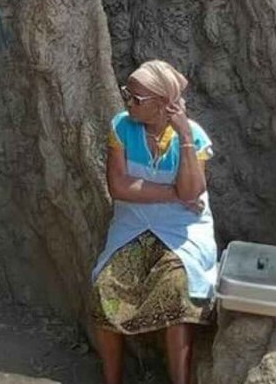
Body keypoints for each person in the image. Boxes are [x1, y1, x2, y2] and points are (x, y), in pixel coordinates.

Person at [90, 60, 216, 384]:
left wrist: (184, 134)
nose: (128, 103)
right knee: (105, 288)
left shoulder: (194, 138)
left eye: (136, 99)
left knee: (176, 290)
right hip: (133, 226)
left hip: (181, 232)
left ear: (162, 104)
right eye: (126, 95)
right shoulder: (121, 128)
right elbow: (119, 188)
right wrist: (173, 194)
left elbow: (192, 189)